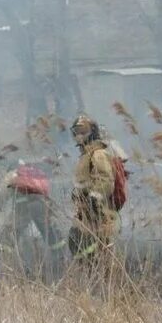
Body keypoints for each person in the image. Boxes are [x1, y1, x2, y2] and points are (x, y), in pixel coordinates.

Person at [66, 114, 119, 268]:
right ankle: (91, 271)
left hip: (99, 211)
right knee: (76, 239)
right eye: (76, 132)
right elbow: (85, 181)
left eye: (83, 131)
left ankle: (100, 274)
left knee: (97, 245)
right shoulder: (86, 155)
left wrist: (94, 197)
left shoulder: (98, 154)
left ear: (93, 132)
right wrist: (78, 194)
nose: (79, 135)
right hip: (86, 211)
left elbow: (106, 179)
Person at [0, 159, 65, 260]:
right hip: (41, 205)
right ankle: (61, 257)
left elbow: (3, 193)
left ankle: (4, 259)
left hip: (23, 206)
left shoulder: (13, 174)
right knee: (49, 231)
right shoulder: (35, 175)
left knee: (9, 232)